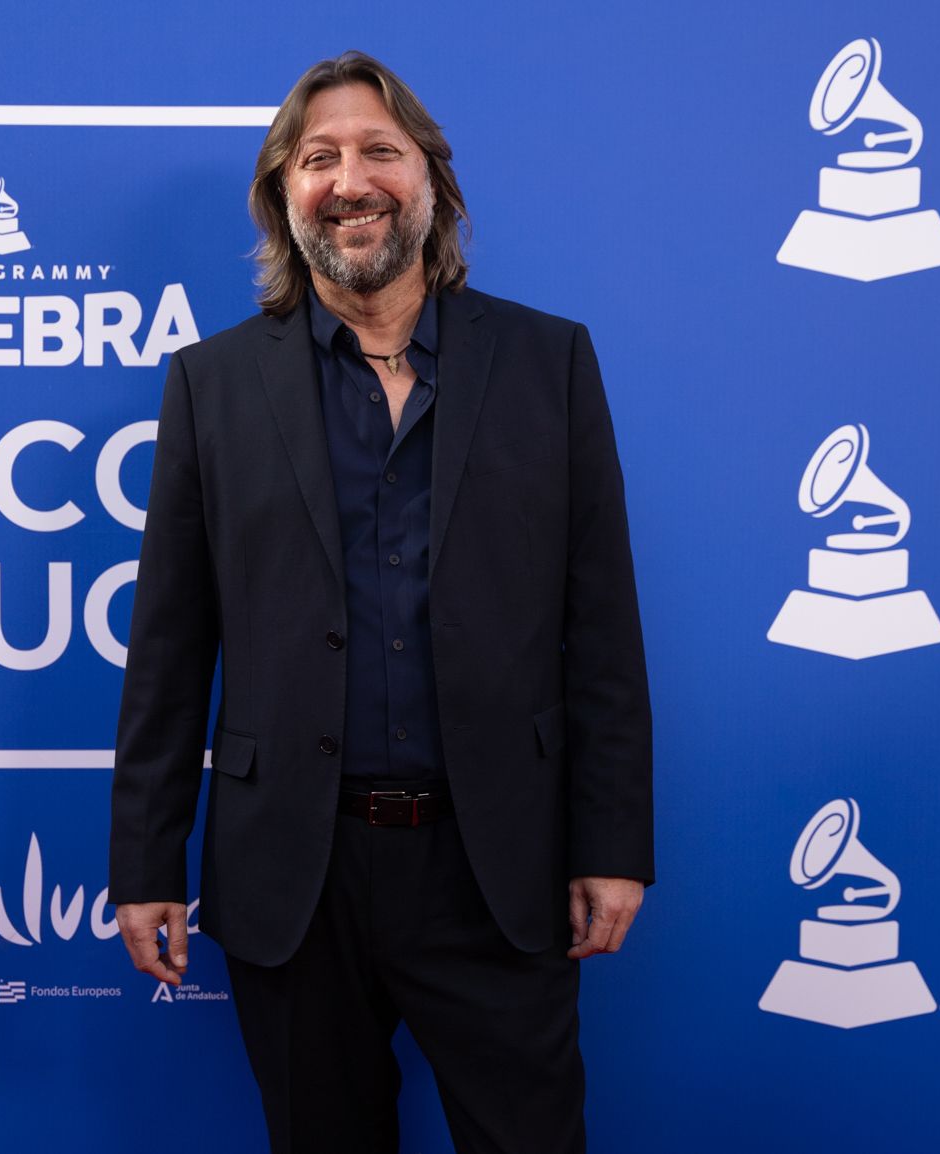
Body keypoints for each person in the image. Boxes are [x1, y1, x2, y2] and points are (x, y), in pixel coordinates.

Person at [108, 50, 653, 1154]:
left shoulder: (550, 364)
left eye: (378, 151)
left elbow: (601, 627)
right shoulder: (211, 386)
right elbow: (170, 647)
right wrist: (146, 862)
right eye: (318, 158)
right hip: (293, 873)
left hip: (496, 864)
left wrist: (613, 839)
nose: (349, 178)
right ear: (284, 197)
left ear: (433, 186)